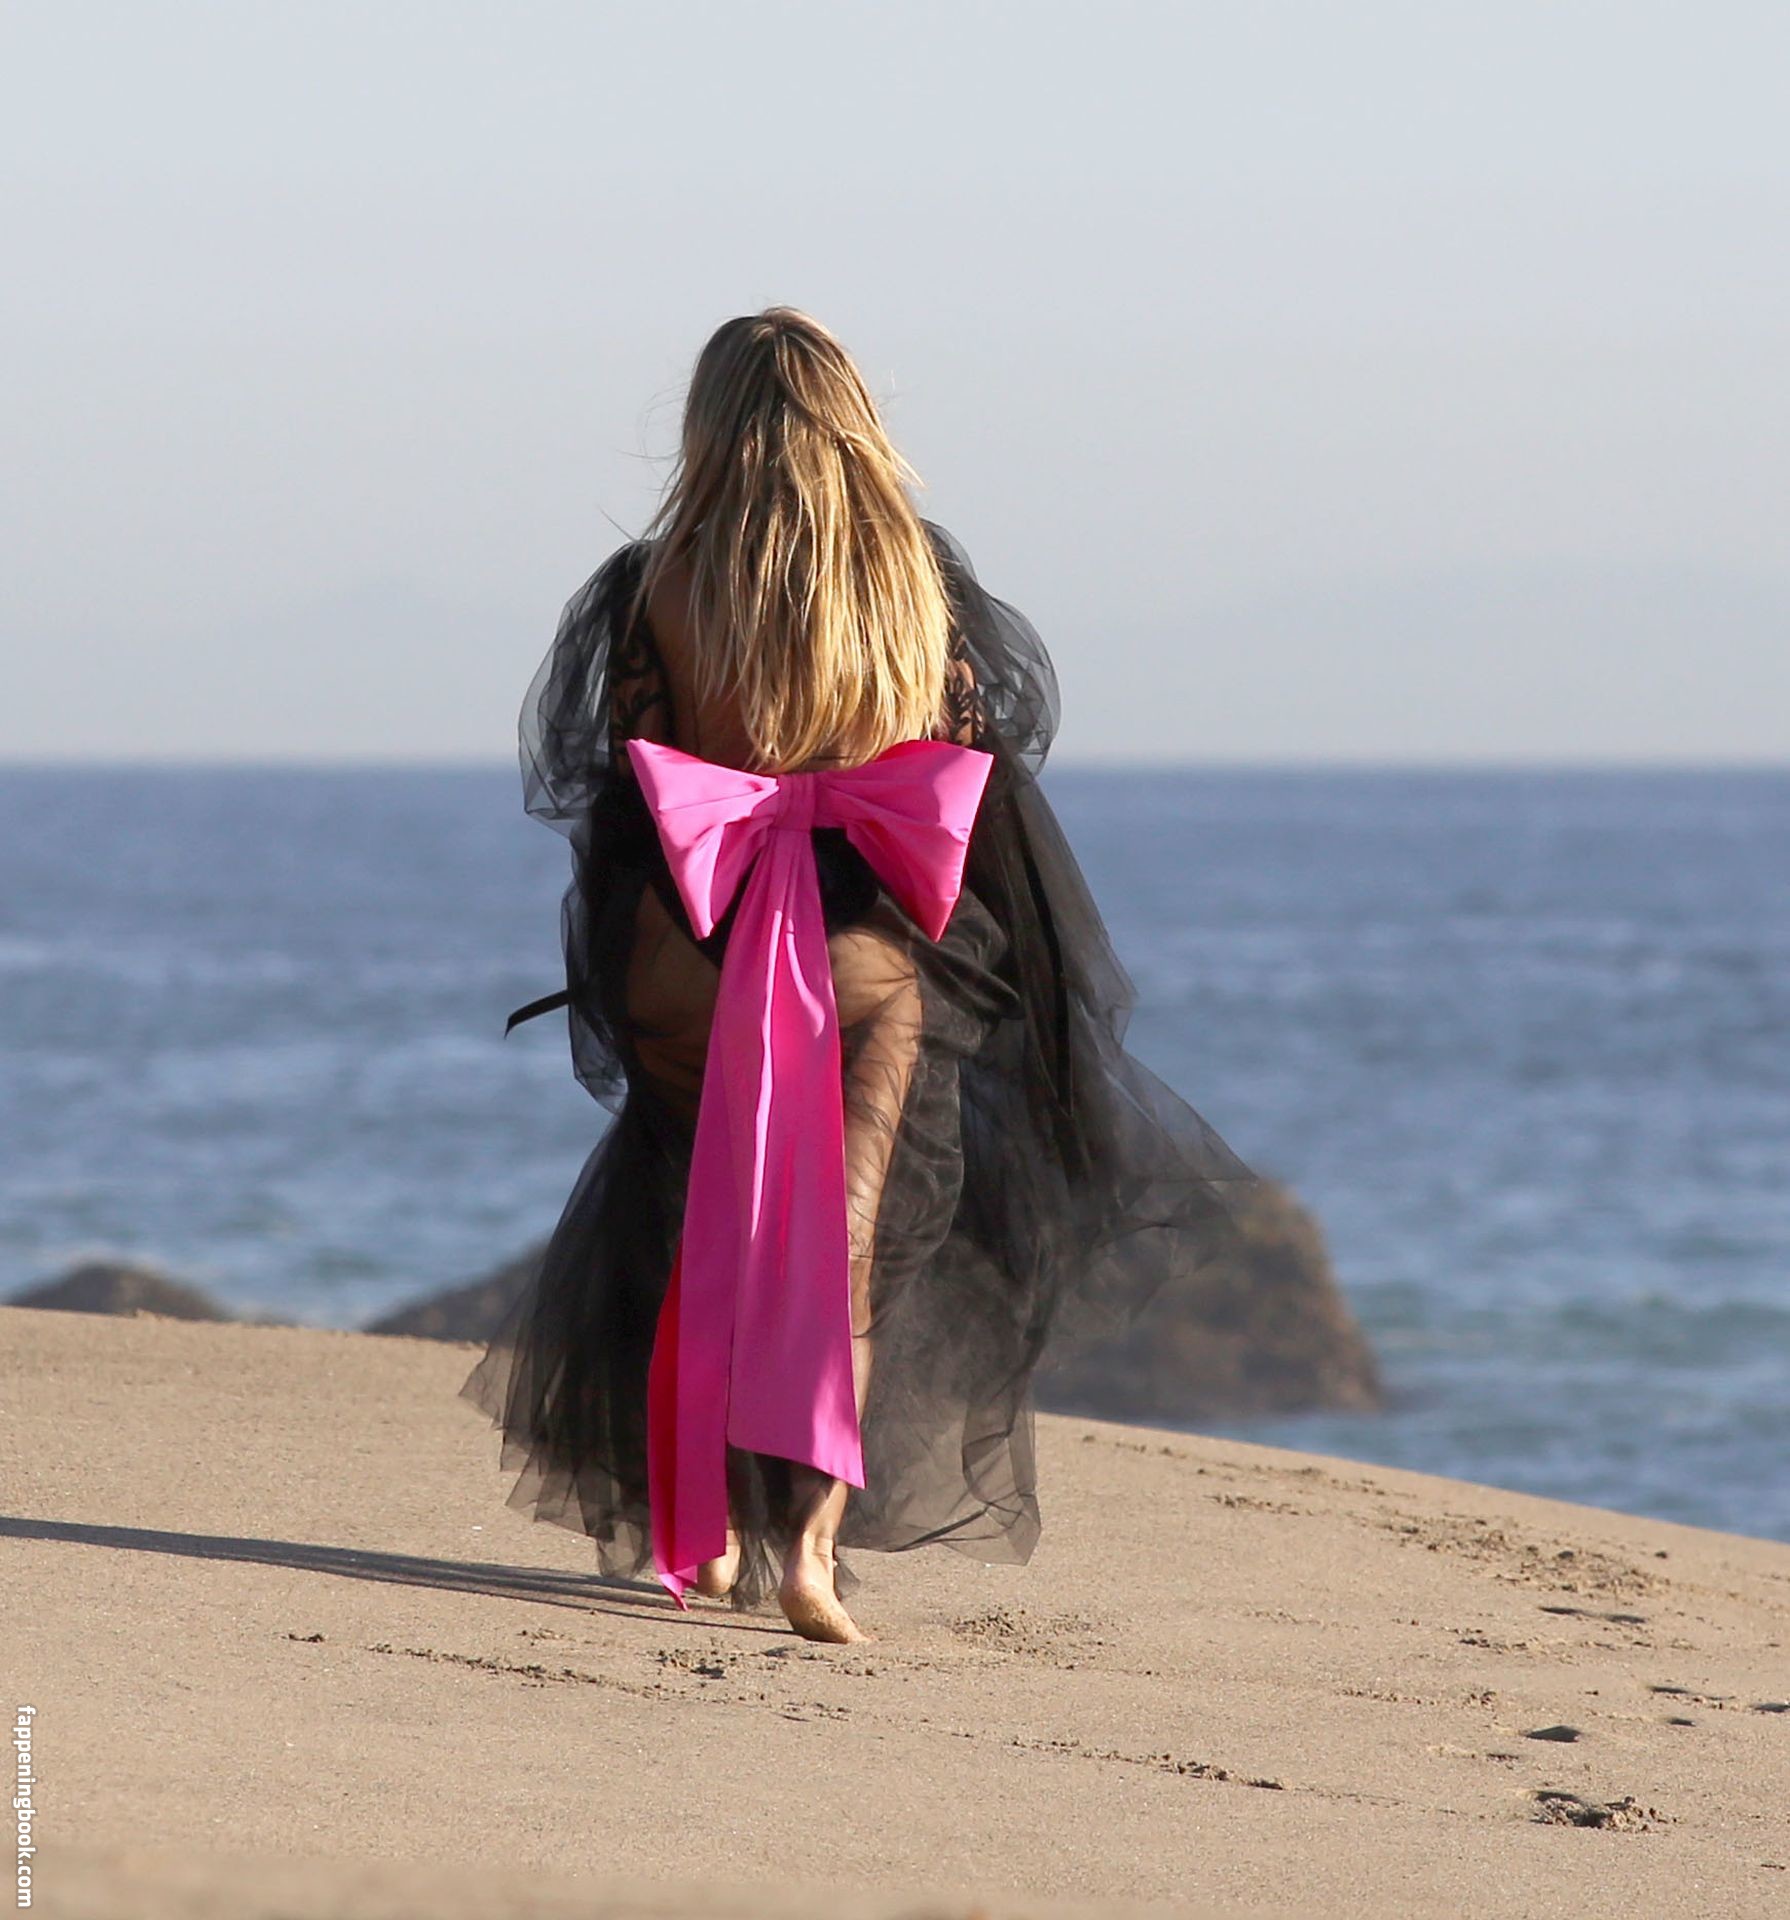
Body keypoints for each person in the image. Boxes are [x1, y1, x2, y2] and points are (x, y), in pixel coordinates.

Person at [460, 307, 1260, 1644]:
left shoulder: (654, 582)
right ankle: (810, 1553)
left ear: (707, 426)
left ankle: (703, 1531)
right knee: (847, 1245)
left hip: (691, 938)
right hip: (864, 949)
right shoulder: (912, 578)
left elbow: (623, 783)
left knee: (689, 1216)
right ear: (856, 420)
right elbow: (976, 757)